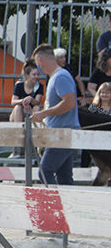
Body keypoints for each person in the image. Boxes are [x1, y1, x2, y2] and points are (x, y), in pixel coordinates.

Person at [31, 44, 80, 185]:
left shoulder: (60, 77)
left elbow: (69, 102)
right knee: (64, 178)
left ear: (40, 60)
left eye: (37, 63)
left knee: (44, 172)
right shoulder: (57, 77)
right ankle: (68, 205)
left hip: (62, 133)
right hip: (62, 132)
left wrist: (45, 113)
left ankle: (55, 205)